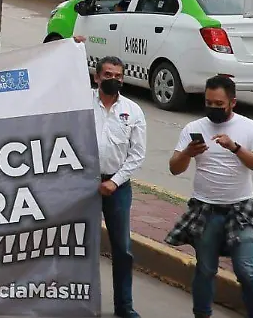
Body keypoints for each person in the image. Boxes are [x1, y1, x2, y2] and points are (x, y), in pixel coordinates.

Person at [167, 75, 253, 318]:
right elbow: (175, 168)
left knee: (246, 270)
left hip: (240, 210)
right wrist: (187, 153)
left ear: (233, 103)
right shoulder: (193, 128)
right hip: (205, 209)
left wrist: (235, 148)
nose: (213, 108)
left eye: (219, 104)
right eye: (208, 103)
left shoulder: (251, 128)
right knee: (206, 269)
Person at [92, 56, 146, 318]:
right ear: (97, 77)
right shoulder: (81, 103)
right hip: (84, 185)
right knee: (80, 245)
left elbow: (137, 154)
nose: (113, 79)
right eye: (108, 75)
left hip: (117, 187)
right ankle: (81, 302)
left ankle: (124, 306)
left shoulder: (133, 111)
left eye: (118, 76)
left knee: (122, 249)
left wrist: (114, 181)